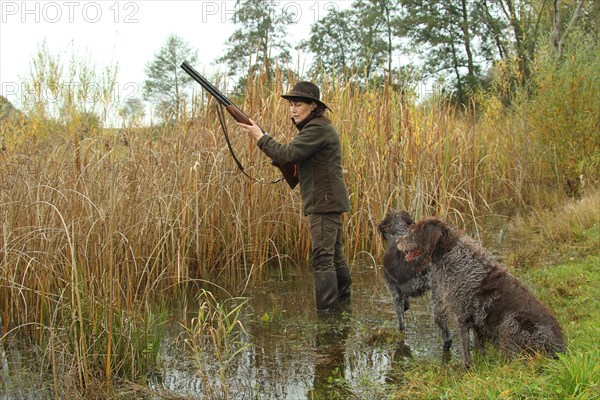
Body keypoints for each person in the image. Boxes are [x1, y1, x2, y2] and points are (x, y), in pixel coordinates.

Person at [237, 81, 352, 312]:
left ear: (313, 106)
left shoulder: (318, 128)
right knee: (334, 256)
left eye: (298, 104)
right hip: (327, 200)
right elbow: (294, 156)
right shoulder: (317, 127)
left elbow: (288, 154)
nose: (293, 109)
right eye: (291, 105)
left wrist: (260, 137)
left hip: (323, 202)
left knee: (322, 257)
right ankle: (343, 306)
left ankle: (328, 313)